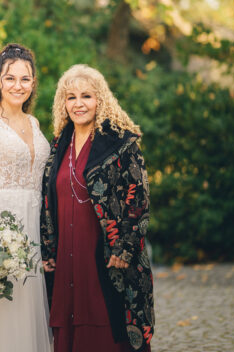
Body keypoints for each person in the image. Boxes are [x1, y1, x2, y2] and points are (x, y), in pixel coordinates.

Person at [40, 64, 154, 352]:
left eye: (86, 96)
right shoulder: (59, 144)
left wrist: (124, 248)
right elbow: (48, 201)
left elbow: (138, 200)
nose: (78, 104)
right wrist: (48, 249)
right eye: (71, 97)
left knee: (105, 325)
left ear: (100, 99)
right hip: (66, 257)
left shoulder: (121, 142)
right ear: (63, 103)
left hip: (107, 256)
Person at [0, 43, 53, 352]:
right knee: (2, 309)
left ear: (33, 82)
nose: (18, 85)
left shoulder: (34, 122)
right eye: (10, 78)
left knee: (28, 306)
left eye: (25, 79)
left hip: (31, 227)